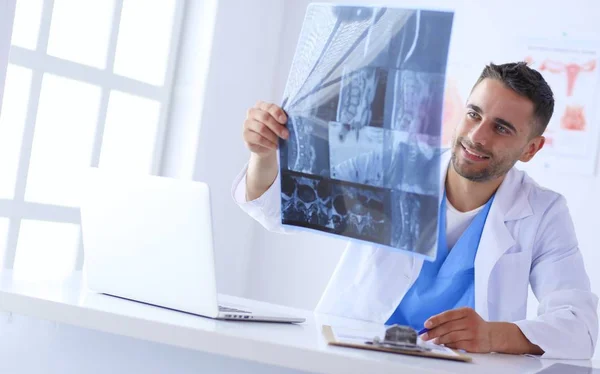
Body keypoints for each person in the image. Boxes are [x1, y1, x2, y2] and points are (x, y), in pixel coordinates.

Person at [231, 62, 598, 359]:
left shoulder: (543, 211)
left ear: (531, 149)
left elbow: (580, 327)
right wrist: (264, 154)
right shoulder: (394, 170)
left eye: (501, 128)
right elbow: (279, 207)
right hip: (354, 358)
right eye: (474, 114)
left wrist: (492, 335)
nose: (477, 136)